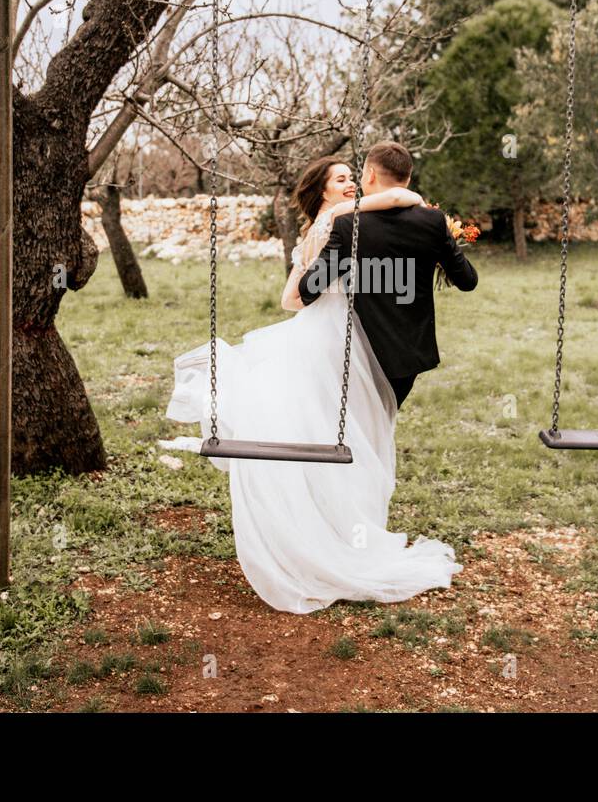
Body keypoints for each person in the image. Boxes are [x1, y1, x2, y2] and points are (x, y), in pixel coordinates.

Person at [162, 144, 476, 614]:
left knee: (346, 436)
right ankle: (335, 532)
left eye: (352, 177)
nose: (349, 184)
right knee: (341, 435)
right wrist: (416, 211)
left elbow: (369, 221)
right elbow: (297, 296)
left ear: (368, 175)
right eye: (338, 180)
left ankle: (342, 527)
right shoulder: (347, 221)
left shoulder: (348, 221)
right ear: (322, 191)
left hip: (350, 340)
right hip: (333, 342)